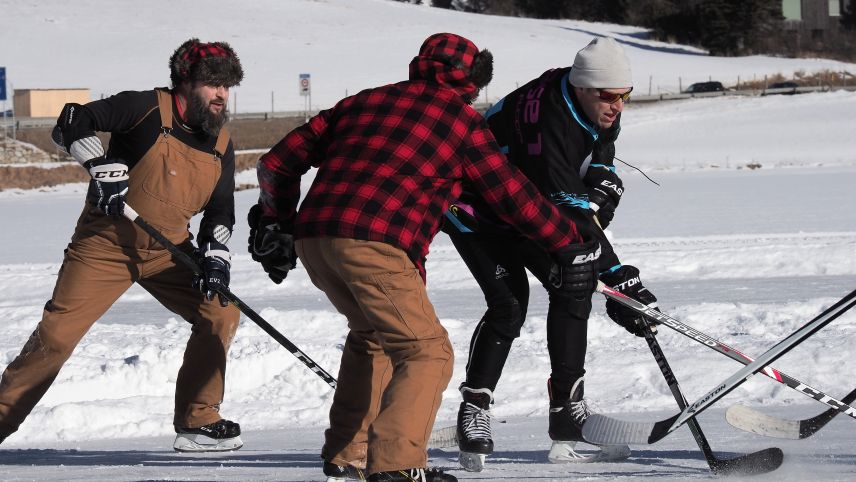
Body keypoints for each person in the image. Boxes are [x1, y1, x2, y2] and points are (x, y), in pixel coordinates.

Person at [248, 32, 601, 482]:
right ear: (473, 83)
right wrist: (569, 244)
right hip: (376, 243)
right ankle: (396, 465)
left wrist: (276, 221)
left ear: (418, 65)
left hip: (315, 239)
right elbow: (513, 197)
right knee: (426, 351)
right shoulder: (460, 122)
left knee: (372, 336)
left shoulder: (362, 102)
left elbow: (276, 163)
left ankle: (347, 454)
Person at [0, 38, 245, 452]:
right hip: (105, 246)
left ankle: (197, 419)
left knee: (221, 312)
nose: (221, 94)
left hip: (170, 250)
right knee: (57, 336)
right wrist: (98, 163)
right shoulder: (145, 106)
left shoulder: (220, 144)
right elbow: (74, 118)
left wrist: (216, 259)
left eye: (228, 85)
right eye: (212, 83)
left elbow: (221, 210)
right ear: (185, 81)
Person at [443, 37, 659, 469]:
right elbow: (569, 213)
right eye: (608, 96)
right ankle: (475, 409)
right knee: (509, 305)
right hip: (477, 211)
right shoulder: (549, 122)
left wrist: (602, 184)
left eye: (624, 96)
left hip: (528, 205)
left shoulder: (593, 100)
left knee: (574, 286)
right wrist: (619, 277)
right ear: (582, 88)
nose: (617, 106)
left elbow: (601, 152)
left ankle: (567, 413)